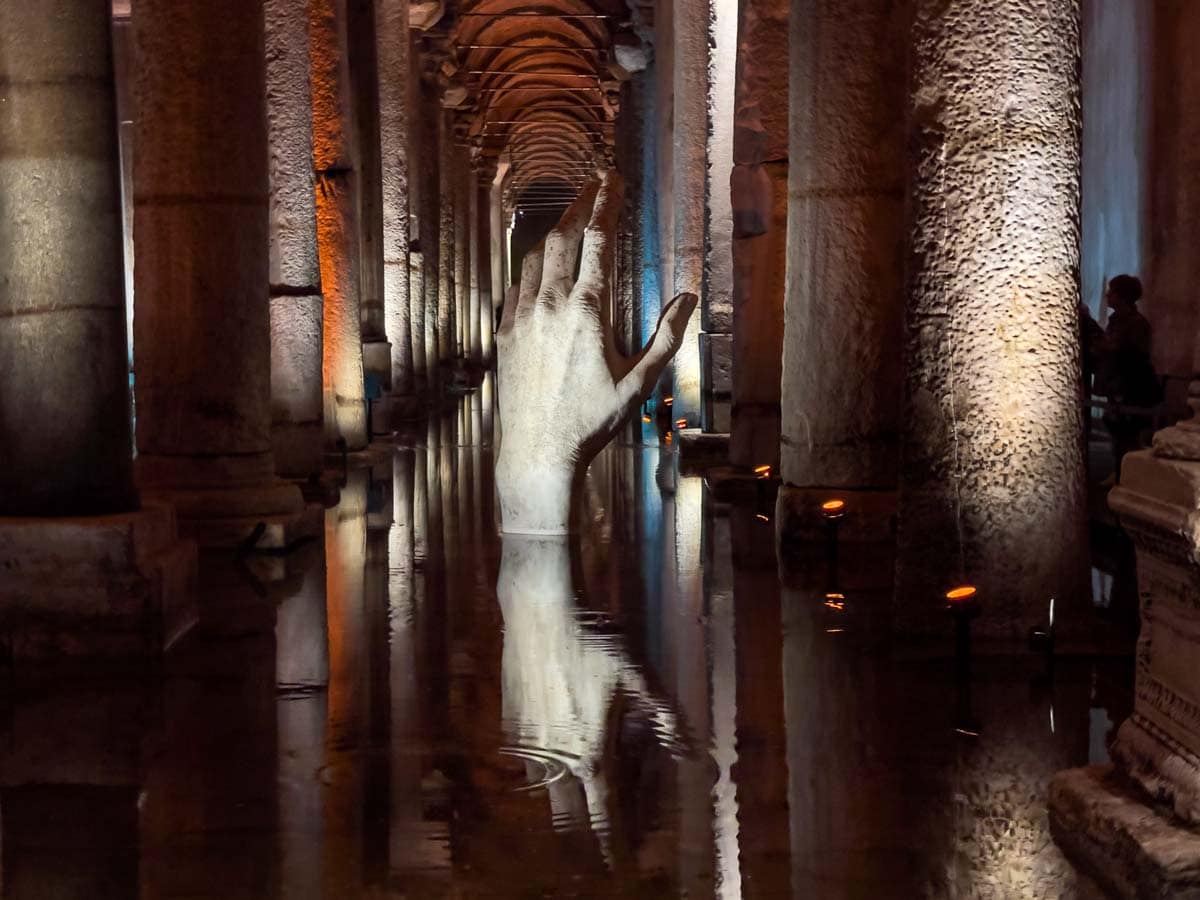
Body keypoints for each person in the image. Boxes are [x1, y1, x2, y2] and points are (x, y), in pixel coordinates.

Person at [1095, 274, 1160, 480]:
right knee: (1118, 430)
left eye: (1112, 291)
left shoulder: (1134, 323)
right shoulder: (1119, 321)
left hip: (1131, 386)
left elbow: (1128, 355)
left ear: (1122, 296)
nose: (1107, 295)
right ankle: (1120, 473)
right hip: (1118, 385)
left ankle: (1129, 476)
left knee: (1127, 433)